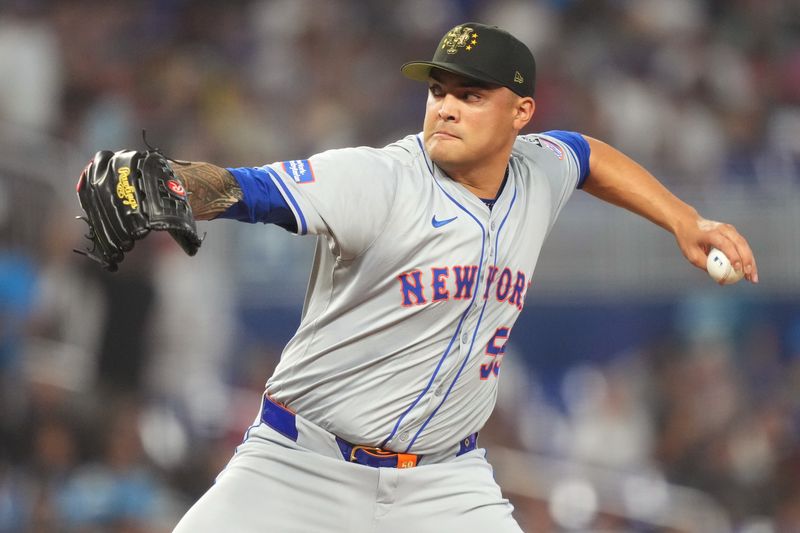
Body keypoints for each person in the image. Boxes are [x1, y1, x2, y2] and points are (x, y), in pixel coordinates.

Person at [159, 22, 758, 532]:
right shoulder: (381, 178)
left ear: (522, 112)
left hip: (442, 483)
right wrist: (168, 187)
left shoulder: (536, 173)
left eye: (470, 95)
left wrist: (683, 219)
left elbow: (585, 154)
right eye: (438, 90)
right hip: (299, 464)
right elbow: (249, 190)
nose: (445, 106)